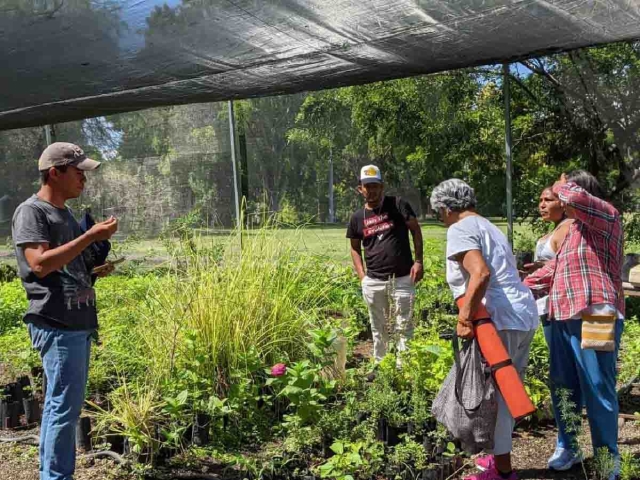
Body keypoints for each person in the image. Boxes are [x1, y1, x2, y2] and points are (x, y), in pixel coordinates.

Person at [12, 142, 118, 480]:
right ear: (54, 173)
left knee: (64, 407)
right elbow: (39, 265)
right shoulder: (33, 212)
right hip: (57, 323)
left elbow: (67, 267)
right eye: (78, 172)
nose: (83, 179)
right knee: (62, 408)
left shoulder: (66, 214)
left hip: (76, 321)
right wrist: (89, 236)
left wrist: (93, 268)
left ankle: (52, 474)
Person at [430, 179, 537, 480]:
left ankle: (502, 472)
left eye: (439, 212)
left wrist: (464, 319)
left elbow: (480, 273)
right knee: (507, 391)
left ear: (448, 208)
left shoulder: (459, 228)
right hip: (521, 314)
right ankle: (498, 463)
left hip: (496, 319)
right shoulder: (489, 226)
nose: (440, 218)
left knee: (496, 396)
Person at [524, 171, 624, 479]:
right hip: (564, 316)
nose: (554, 198)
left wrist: (560, 183)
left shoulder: (607, 217)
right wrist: (516, 284)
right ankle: (568, 446)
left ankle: (608, 459)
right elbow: (553, 270)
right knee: (563, 387)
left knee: (597, 387)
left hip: (596, 314)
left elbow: (576, 197)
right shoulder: (573, 233)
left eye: (559, 192)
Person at [346, 165, 423, 364]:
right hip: (374, 281)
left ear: (382, 186)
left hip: (403, 278)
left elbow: (415, 230)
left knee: (403, 326)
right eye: (367, 186)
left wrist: (418, 261)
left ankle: (403, 369)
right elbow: (354, 248)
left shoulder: (398, 205)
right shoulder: (357, 218)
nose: (371, 190)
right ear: (360, 189)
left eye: (375, 186)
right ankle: (381, 366)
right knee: (378, 327)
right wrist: (362, 276)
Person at [523, 187, 573, 340]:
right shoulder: (554, 231)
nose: (542, 205)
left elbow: (568, 263)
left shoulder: (567, 228)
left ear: (563, 204)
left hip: (560, 305)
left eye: (549, 200)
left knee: (562, 355)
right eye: (540, 200)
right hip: (545, 303)